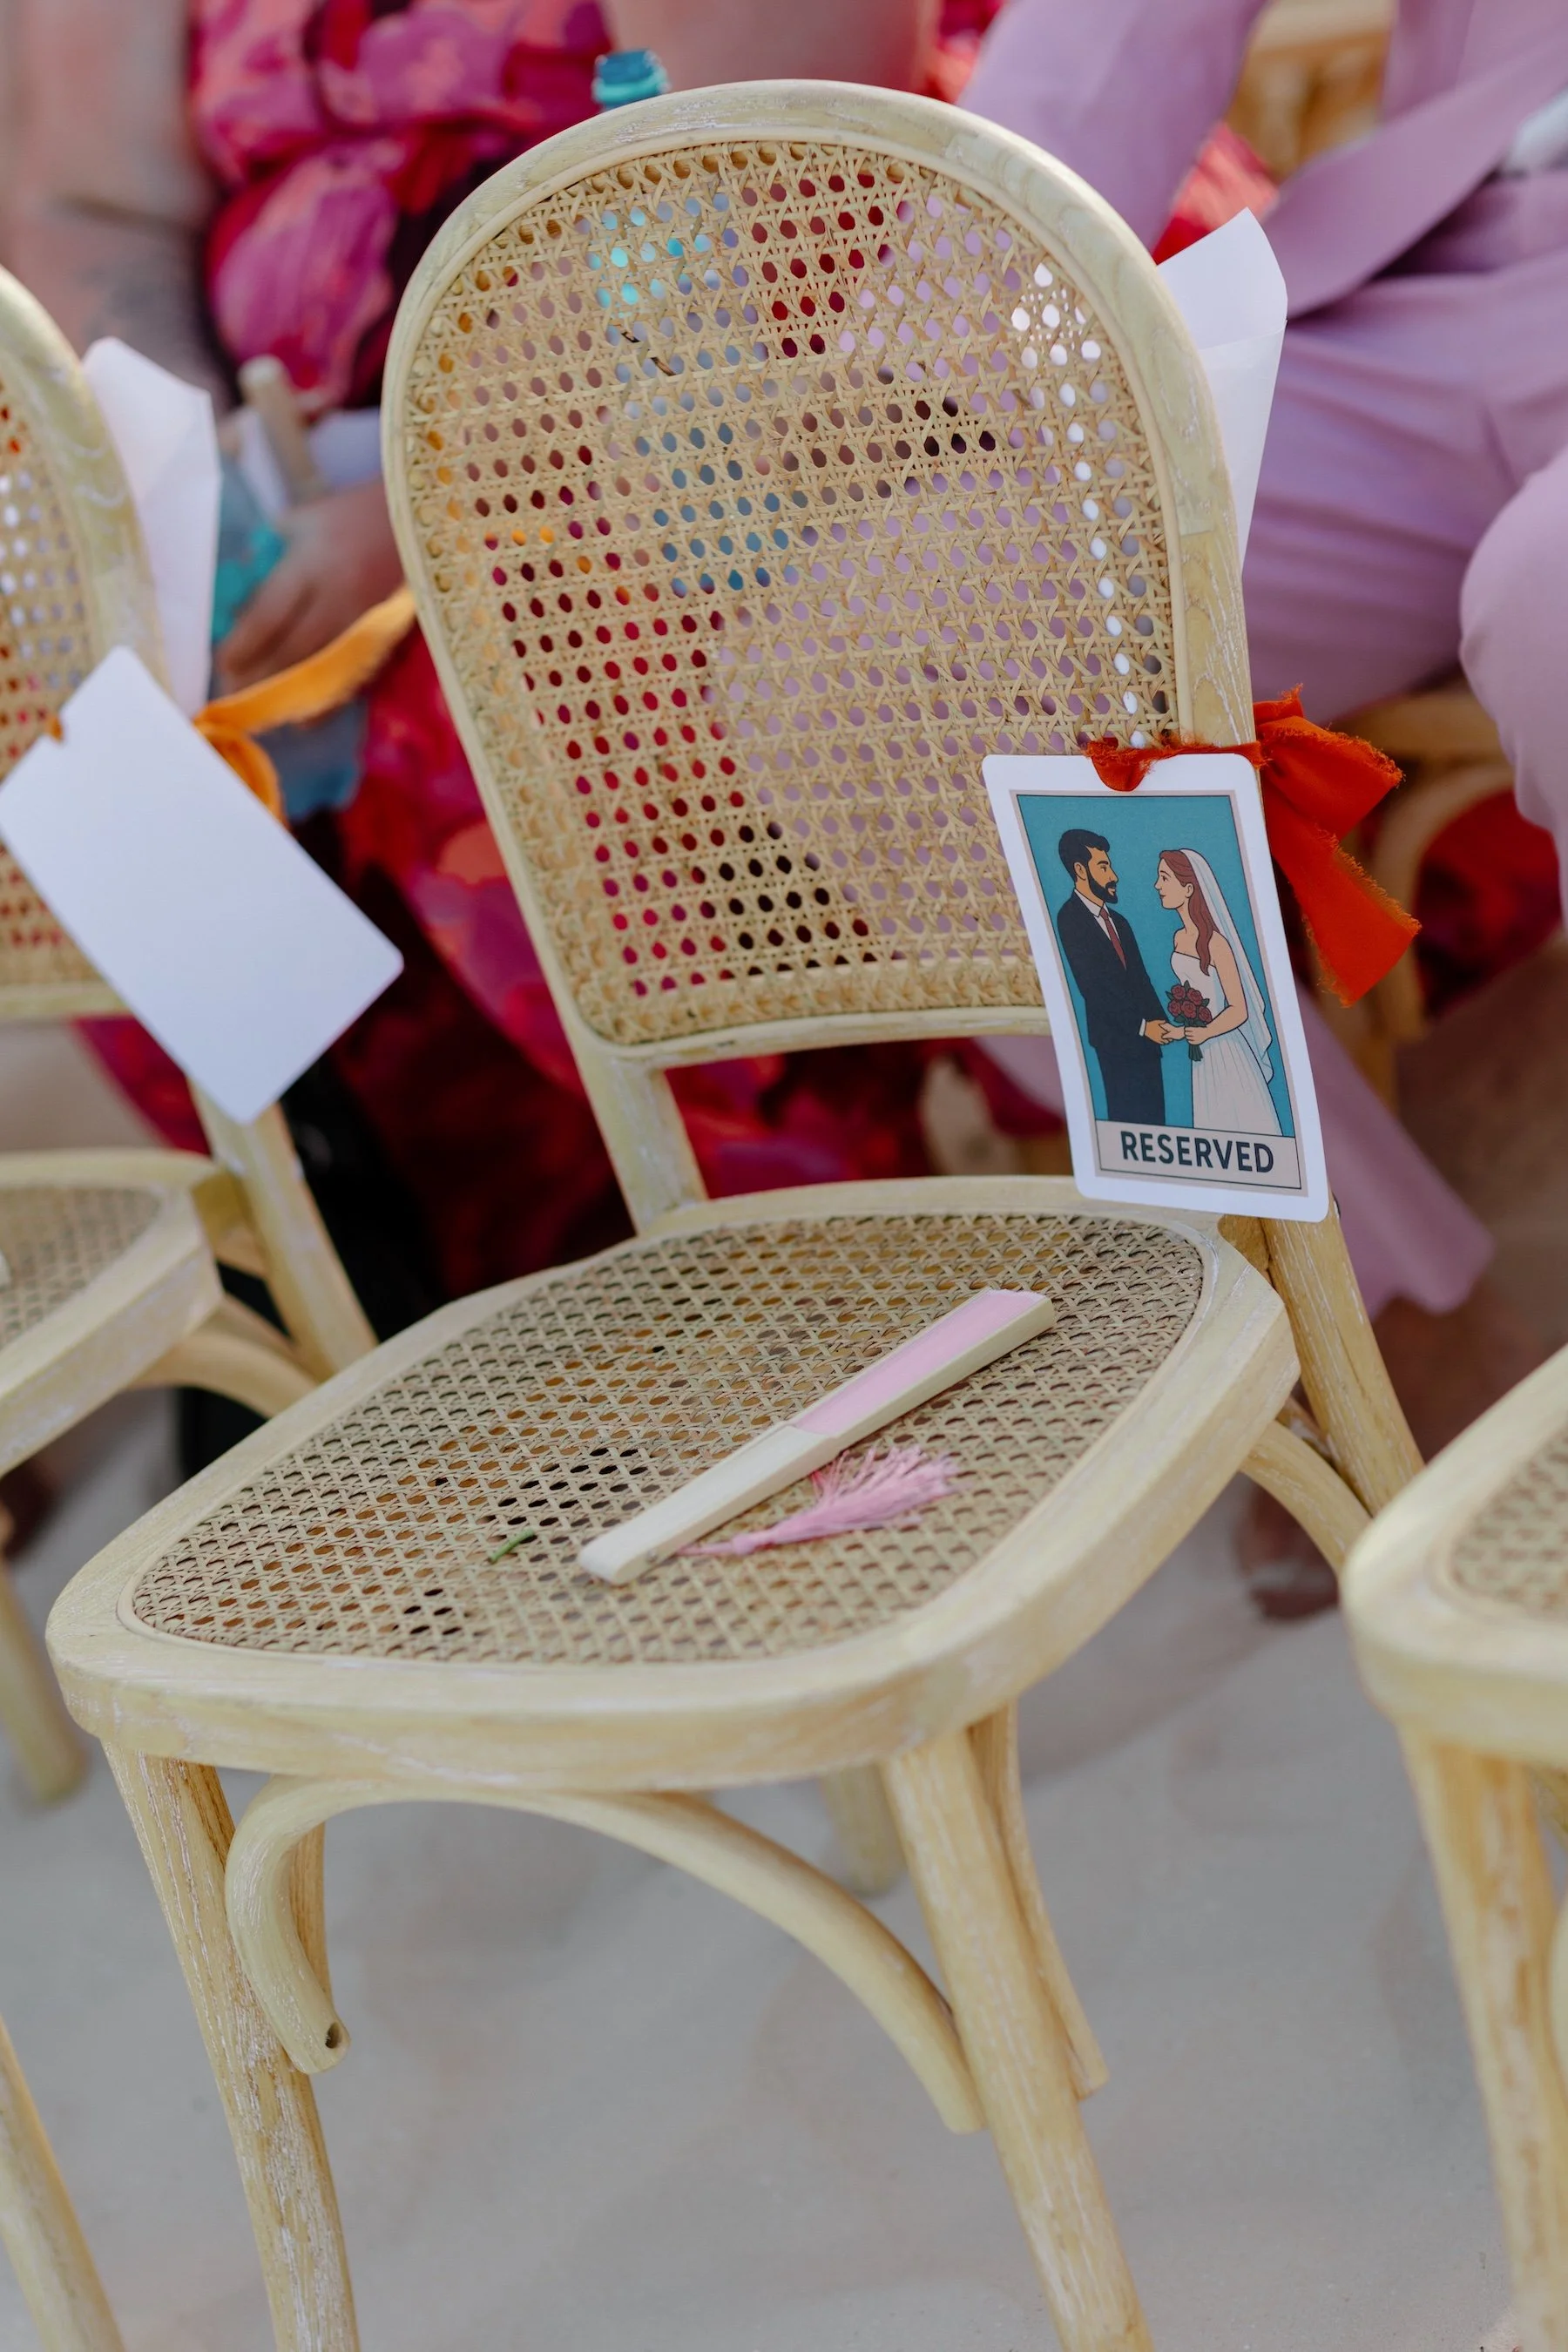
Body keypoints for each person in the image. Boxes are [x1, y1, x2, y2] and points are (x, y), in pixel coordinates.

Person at [1155, 848, 1281, 1138]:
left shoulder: (1216, 944)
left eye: (1164, 878)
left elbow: (1239, 1008)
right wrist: (1178, 1033)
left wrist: (1206, 1032)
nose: (1157, 886)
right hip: (1202, 1055)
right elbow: (1197, 1008)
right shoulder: (1178, 938)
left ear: (1188, 888)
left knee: (1241, 1125)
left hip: (1226, 1049)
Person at [1056, 830, 1173, 1123]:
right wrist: (1144, 1026)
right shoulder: (1069, 919)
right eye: (1104, 867)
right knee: (1131, 1124)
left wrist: (1161, 1023)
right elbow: (1094, 988)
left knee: (1157, 1122)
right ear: (1080, 870)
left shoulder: (1120, 921)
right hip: (1117, 1044)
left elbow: (1140, 979)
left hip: (1148, 1045)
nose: (1114, 876)